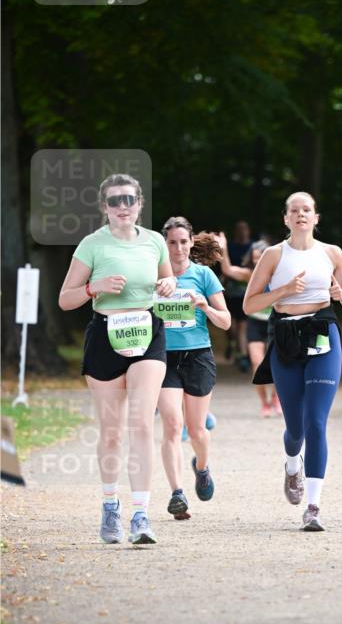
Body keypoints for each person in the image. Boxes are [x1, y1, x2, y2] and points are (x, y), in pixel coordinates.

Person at [58, 174, 176, 545]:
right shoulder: (92, 244)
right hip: (105, 336)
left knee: (141, 423)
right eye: (114, 201)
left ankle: (141, 515)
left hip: (147, 332)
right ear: (104, 207)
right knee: (112, 431)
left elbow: (168, 282)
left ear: (140, 203)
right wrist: (94, 287)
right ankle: (111, 506)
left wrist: (168, 285)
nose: (122, 206)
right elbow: (66, 299)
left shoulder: (155, 241)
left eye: (129, 199)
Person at [243, 191, 342, 531]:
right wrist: (284, 291)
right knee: (295, 428)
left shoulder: (332, 253)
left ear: (316, 217)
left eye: (307, 210)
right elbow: (250, 304)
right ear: (286, 218)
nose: (301, 215)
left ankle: (313, 506)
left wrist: (341, 295)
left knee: (316, 422)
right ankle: (293, 466)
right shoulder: (273, 255)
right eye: (295, 210)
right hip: (287, 336)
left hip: (323, 332)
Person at [156, 219, 231, 520]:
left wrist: (204, 306)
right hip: (163, 358)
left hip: (198, 356)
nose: (178, 248)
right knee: (172, 426)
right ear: (164, 245)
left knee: (197, 430)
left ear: (191, 243)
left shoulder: (203, 275)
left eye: (183, 242)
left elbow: (226, 321)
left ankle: (202, 468)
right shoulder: (153, 276)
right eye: (172, 243)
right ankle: (177, 494)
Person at [217, 235, 281, 417]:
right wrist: (223, 248)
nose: (256, 262)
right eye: (254, 258)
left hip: (275, 322)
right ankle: (265, 403)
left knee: (278, 364)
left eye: (259, 258)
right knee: (256, 363)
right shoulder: (250, 274)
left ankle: (276, 398)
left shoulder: (280, 273)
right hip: (255, 322)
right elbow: (228, 269)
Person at [225, 220, 252, 371]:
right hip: (230, 290)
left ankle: (242, 355)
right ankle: (232, 343)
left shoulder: (253, 246)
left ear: (248, 231)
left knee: (242, 325)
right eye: (239, 229)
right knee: (232, 325)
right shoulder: (230, 246)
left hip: (246, 292)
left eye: (244, 228)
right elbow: (224, 266)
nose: (242, 231)